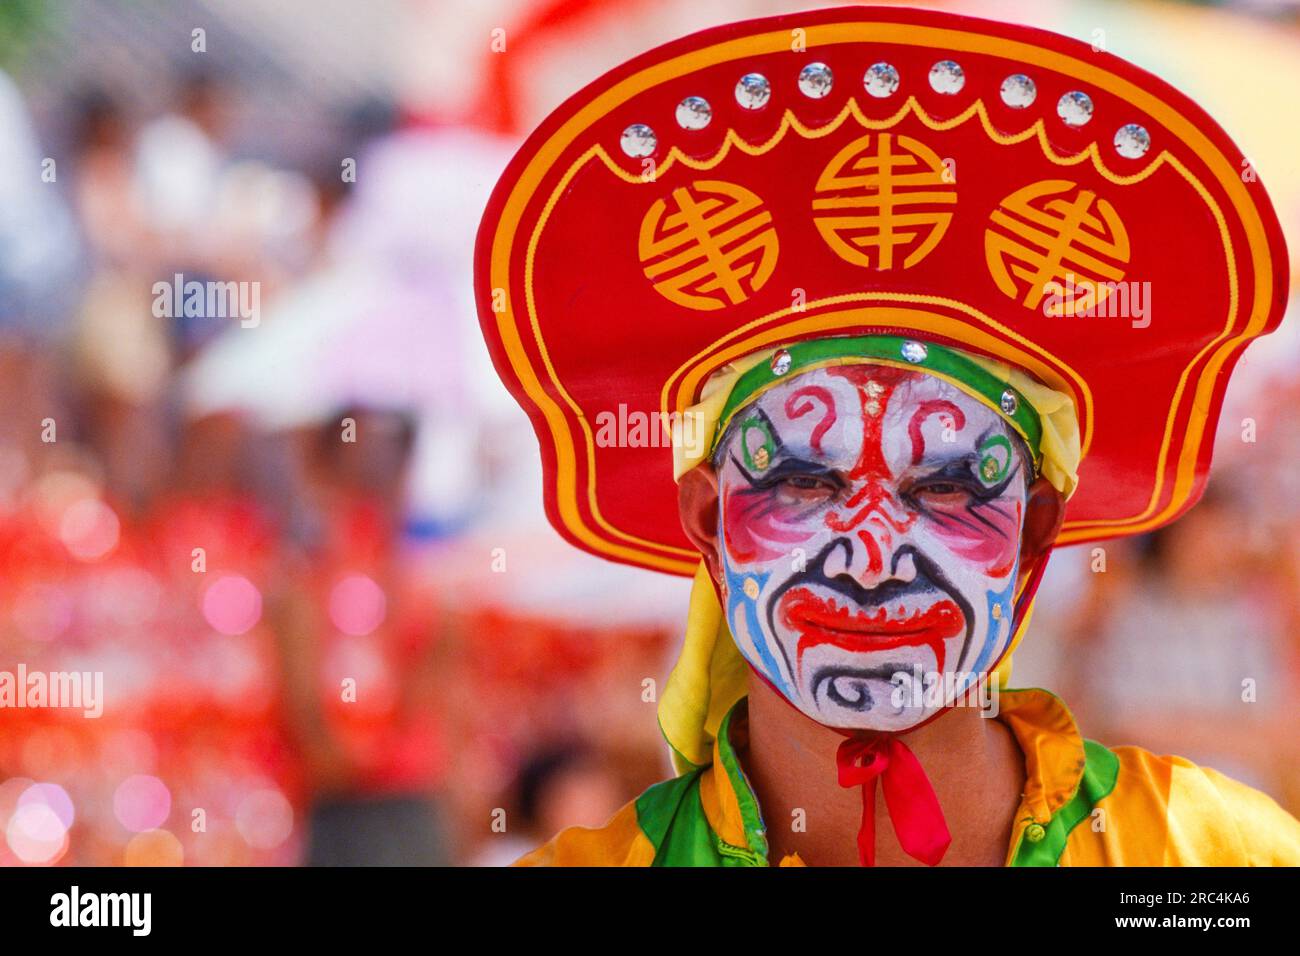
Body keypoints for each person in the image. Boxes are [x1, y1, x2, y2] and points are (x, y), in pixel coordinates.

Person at [473, 6, 1300, 865]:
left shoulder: (1205, 864)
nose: (870, 557)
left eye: (943, 487)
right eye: (804, 483)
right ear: (709, 524)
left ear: (1036, 533)